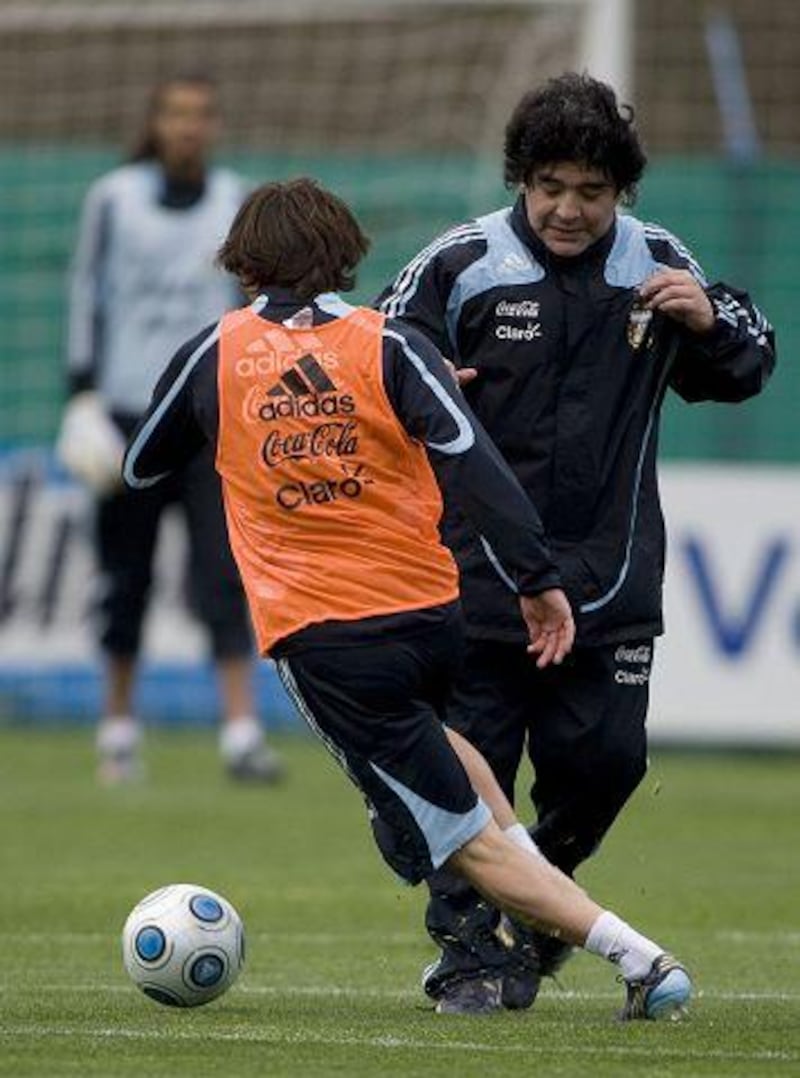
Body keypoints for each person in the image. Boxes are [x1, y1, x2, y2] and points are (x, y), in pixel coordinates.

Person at [121, 175, 693, 1022]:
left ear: (244, 267)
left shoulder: (216, 351)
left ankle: (640, 963)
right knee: (464, 783)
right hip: (433, 621)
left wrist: (265, 448)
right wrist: (537, 583)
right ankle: (506, 914)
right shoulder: (393, 345)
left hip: (329, 640)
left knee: (443, 835)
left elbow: (141, 465)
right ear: (345, 258)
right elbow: (480, 470)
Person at [376, 71, 776, 1014]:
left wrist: (713, 324)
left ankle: (541, 911)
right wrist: (421, 385)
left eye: (591, 192)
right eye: (550, 187)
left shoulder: (658, 260)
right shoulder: (459, 263)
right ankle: (471, 957)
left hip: (610, 580)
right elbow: (377, 367)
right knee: (467, 770)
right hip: (474, 578)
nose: (567, 209)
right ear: (522, 178)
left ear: (621, 191)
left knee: (606, 766)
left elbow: (750, 361)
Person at [56, 75, 282, 784]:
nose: (189, 128)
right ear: (155, 124)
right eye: (176, 115)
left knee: (224, 573)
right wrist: (81, 395)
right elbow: (86, 292)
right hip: (125, 414)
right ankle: (118, 730)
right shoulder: (113, 199)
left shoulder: (230, 199)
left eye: (201, 116)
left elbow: (245, 305)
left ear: (214, 126)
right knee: (125, 576)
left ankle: (241, 733)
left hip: (207, 413)